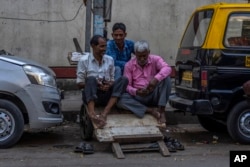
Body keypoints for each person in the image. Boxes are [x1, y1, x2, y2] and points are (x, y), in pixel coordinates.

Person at [76, 35, 128, 128]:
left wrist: (109, 84)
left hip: (106, 95)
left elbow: (112, 79)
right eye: (101, 46)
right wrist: (97, 84)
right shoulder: (83, 61)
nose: (104, 49)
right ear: (93, 46)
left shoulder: (109, 60)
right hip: (91, 95)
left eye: (105, 46)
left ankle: (104, 113)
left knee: (123, 79)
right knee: (91, 79)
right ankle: (92, 114)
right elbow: (79, 84)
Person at [117, 40, 172, 124]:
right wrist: (136, 92)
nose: (142, 59)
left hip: (154, 94)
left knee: (166, 79)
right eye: (139, 56)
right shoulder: (129, 65)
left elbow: (168, 68)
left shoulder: (156, 59)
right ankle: (149, 110)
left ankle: (161, 110)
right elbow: (127, 86)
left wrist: (156, 79)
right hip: (138, 97)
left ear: (148, 52)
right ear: (135, 54)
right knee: (120, 100)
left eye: (144, 56)